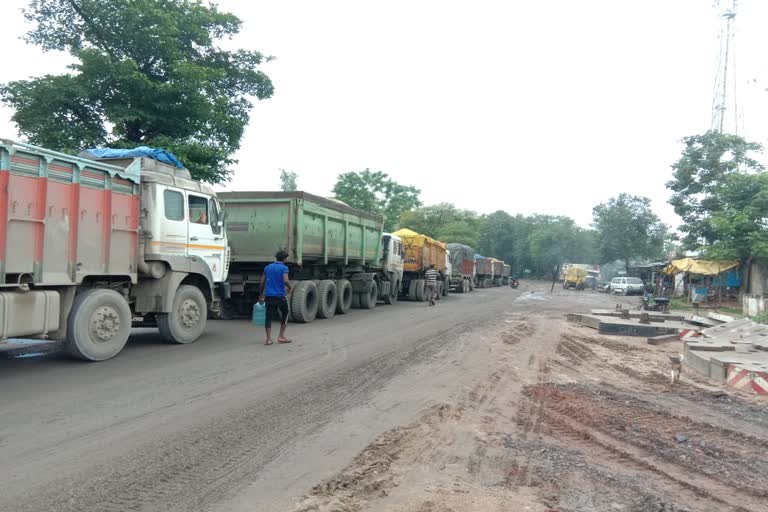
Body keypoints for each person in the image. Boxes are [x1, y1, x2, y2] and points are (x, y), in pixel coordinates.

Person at [259, 250, 293, 345]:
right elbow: (285, 280)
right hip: (281, 296)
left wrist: (260, 295)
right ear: (284, 259)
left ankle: (268, 339)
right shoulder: (284, 268)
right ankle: (281, 336)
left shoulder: (267, 267)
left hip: (269, 296)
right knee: (285, 313)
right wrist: (290, 287)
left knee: (268, 317)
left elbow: (262, 282)